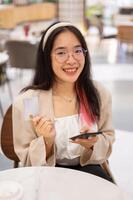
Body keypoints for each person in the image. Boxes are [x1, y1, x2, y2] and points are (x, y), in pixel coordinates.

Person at [13, 21, 115, 183]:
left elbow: (108, 138)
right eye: (61, 53)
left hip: (90, 172)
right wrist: (47, 141)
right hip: (46, 176)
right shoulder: (29, 101)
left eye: (77, 51)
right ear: (47, 57)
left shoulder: (99, 93)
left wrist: (93, 144)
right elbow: (25, 158)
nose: (72, 60)